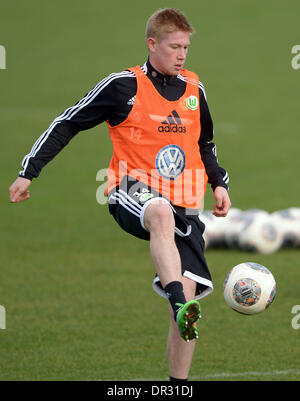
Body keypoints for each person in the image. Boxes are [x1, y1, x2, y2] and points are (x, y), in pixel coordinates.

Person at [9, 8, 231, 381]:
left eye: (186, 48)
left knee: (188, 302)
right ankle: (178, 299)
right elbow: (69, 122)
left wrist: (219, 182)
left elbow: (204, 141)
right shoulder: (122, 86)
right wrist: (28, 172)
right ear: (151, 44)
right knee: (159, 212)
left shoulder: (195, 88)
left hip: (187, 200)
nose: (181, 55)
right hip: (130, 189)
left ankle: (178, 381)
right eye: (174, 46)